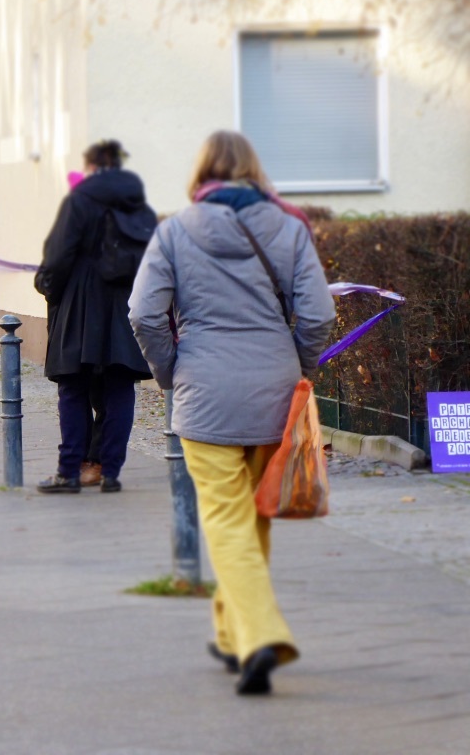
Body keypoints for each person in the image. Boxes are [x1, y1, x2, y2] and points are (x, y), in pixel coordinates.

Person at [128, 130, 336, 695]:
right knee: (253, 517)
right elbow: (319, 314)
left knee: (227, 520)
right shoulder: (289, 228)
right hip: (274, 392)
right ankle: (231, 635)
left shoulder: (174, 231)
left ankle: (261, 636)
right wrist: (297, 366)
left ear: (202, 172)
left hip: (205, 393)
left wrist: (171, 372)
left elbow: (143, 313)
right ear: (253, 169)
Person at [34, 139, 156, 494]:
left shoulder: (80, 200)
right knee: (119, 386)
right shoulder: (141, 209)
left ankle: (69, 472)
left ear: (90, 167)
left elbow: (58, 255)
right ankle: (110, 471)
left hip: (80, 302)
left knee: (73, 387)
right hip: (125, 304)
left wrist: (47, 286)